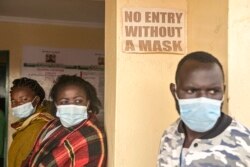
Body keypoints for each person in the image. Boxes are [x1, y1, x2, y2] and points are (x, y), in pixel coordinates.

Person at [157, 51, 250, 166]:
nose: (202, 100)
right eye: (191, 91)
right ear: (174, 91)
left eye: (212, 91)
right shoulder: (169, 136)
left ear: (223, 92)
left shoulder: (245, 143)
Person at [22, 75, 107, 167]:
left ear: (88, 103)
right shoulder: (52, 125)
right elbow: (33, 155)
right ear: (56, 104)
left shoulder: (92, 136)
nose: (72, 106)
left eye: (78, 101)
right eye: (64, 102)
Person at [8, 77, 54, 167]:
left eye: (24, 99)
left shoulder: (40, 126)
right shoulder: (26, 124)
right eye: (13, 101)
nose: (17, 105)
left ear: (36, 100)